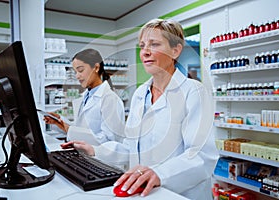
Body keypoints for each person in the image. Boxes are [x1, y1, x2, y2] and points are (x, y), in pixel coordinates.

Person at [62, 18, 219, 199]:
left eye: (154, 44)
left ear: (175, 50)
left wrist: (161, 173)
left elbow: (202, 156)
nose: (145, 52)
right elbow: (131, 147)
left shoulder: (194, 92)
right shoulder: (140, 94)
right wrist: (95, 151)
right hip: (144, 191)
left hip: (180, 194)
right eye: (142, 45)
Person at [44, 48, 125, 145]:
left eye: (81, 70)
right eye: (75, 72)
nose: (77, 76)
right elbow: (81, 129)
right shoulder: (86, 96)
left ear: (96, 67)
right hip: (84, 156)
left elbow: (109, 140)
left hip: (99, 158)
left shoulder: (110, 99)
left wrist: (68, 129)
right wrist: (59, 122)